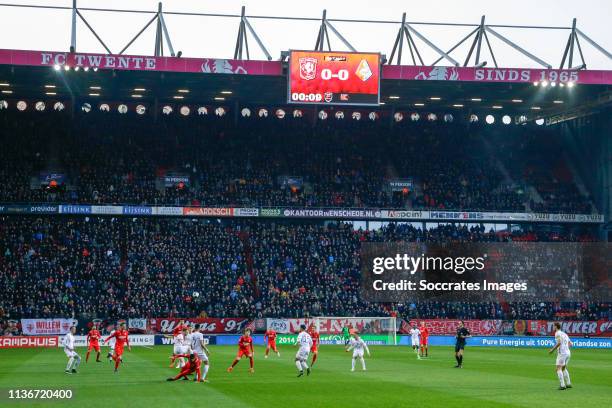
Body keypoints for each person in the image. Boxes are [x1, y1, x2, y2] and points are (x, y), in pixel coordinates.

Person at [548, 322, 572, 390]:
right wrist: (566, 348)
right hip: (568, 353)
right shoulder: (564, 333)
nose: (553, 327)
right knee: (563, 368)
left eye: (553, 326)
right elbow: (570, 343)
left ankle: (562, 385)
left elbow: (559, 343)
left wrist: (552, 350)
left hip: (562, 354)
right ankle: (568, 383)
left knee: (558, 369)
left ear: (556, 327)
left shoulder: (557, 333)